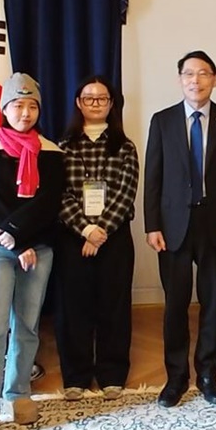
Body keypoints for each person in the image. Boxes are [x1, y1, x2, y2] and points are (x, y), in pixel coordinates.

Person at [144, 49, 216, 408]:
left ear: (215, 79)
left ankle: (207, 375)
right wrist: (152, 225)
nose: (196, 80)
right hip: (173, 227)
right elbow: (153, 176)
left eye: (203, 73)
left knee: (212, 303)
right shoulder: (162, 120)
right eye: (189, 73)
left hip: (215, 225)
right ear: (180, 80)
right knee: (175, 304)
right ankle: (176, 377)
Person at [0, 72, 64, 430]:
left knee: (27, 324)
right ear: (4, 109)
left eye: (32, 106)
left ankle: (19, 392)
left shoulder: (51, 152)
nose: (25, 113)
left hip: (37, 247)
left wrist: (21, 236)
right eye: (17, 105)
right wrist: (13, 240)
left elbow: (48, 202)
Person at [54, 75, 139, 401]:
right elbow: (59, 194)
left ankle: (112, 373)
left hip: (114, 238)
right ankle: (75, 375)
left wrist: (100, 230)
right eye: (88, 98)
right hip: (73, 237)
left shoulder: (125, 146)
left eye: (102, 98)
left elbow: (125, 193)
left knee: (113, 306)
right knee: (73, 307)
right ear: (78, 103)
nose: (95, 103)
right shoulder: (63, 146)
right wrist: (86, 230)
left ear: (111, 103)